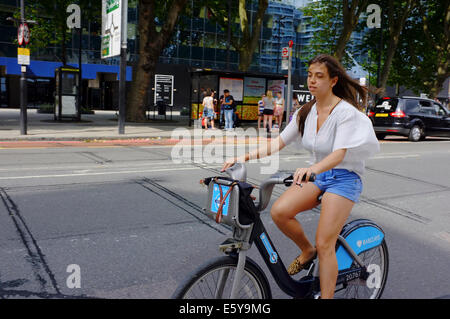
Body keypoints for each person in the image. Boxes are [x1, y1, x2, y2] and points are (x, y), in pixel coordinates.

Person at [221, 54, 380, 299]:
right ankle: (307, 250)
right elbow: (278, 143)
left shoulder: (346, 113)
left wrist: (313, 169)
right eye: (309, 75)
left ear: (333, 80)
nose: (312, 81)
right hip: (319, 176)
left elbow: (339, 154)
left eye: (319, 76)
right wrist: (243, 157)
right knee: (280, 212)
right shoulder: (306, 112)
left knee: (325, 242)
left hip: (344, 178)